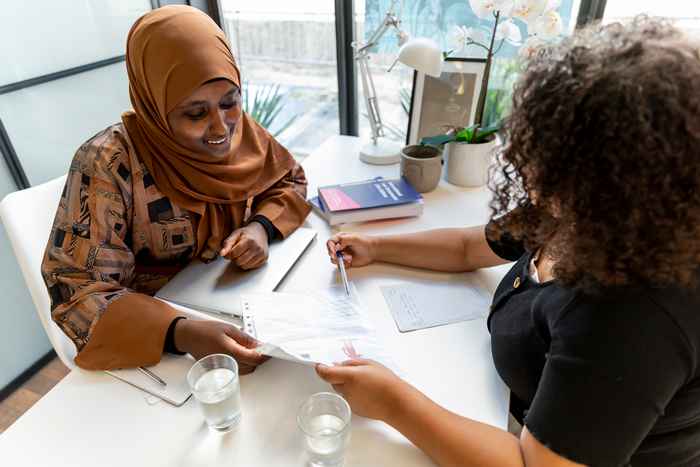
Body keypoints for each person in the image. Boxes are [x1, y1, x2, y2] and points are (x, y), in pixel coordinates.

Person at [320, 17, 700, 467]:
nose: (525, 166)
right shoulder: (574, 212)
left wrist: (392, 402)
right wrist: (378, 248)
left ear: (609, 178)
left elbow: (535, 464)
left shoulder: (632, 317)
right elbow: (468, 247)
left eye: (543, 154)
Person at [41, 6, 310, 373]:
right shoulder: (108, 163)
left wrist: (260, 227)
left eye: (230, 102)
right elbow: (75, 291)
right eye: (195, 114)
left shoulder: (240, 129)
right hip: (154, 341)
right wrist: (179, 333)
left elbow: (289, 179)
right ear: (155, 106)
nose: (221, 129)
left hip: (236, 300)